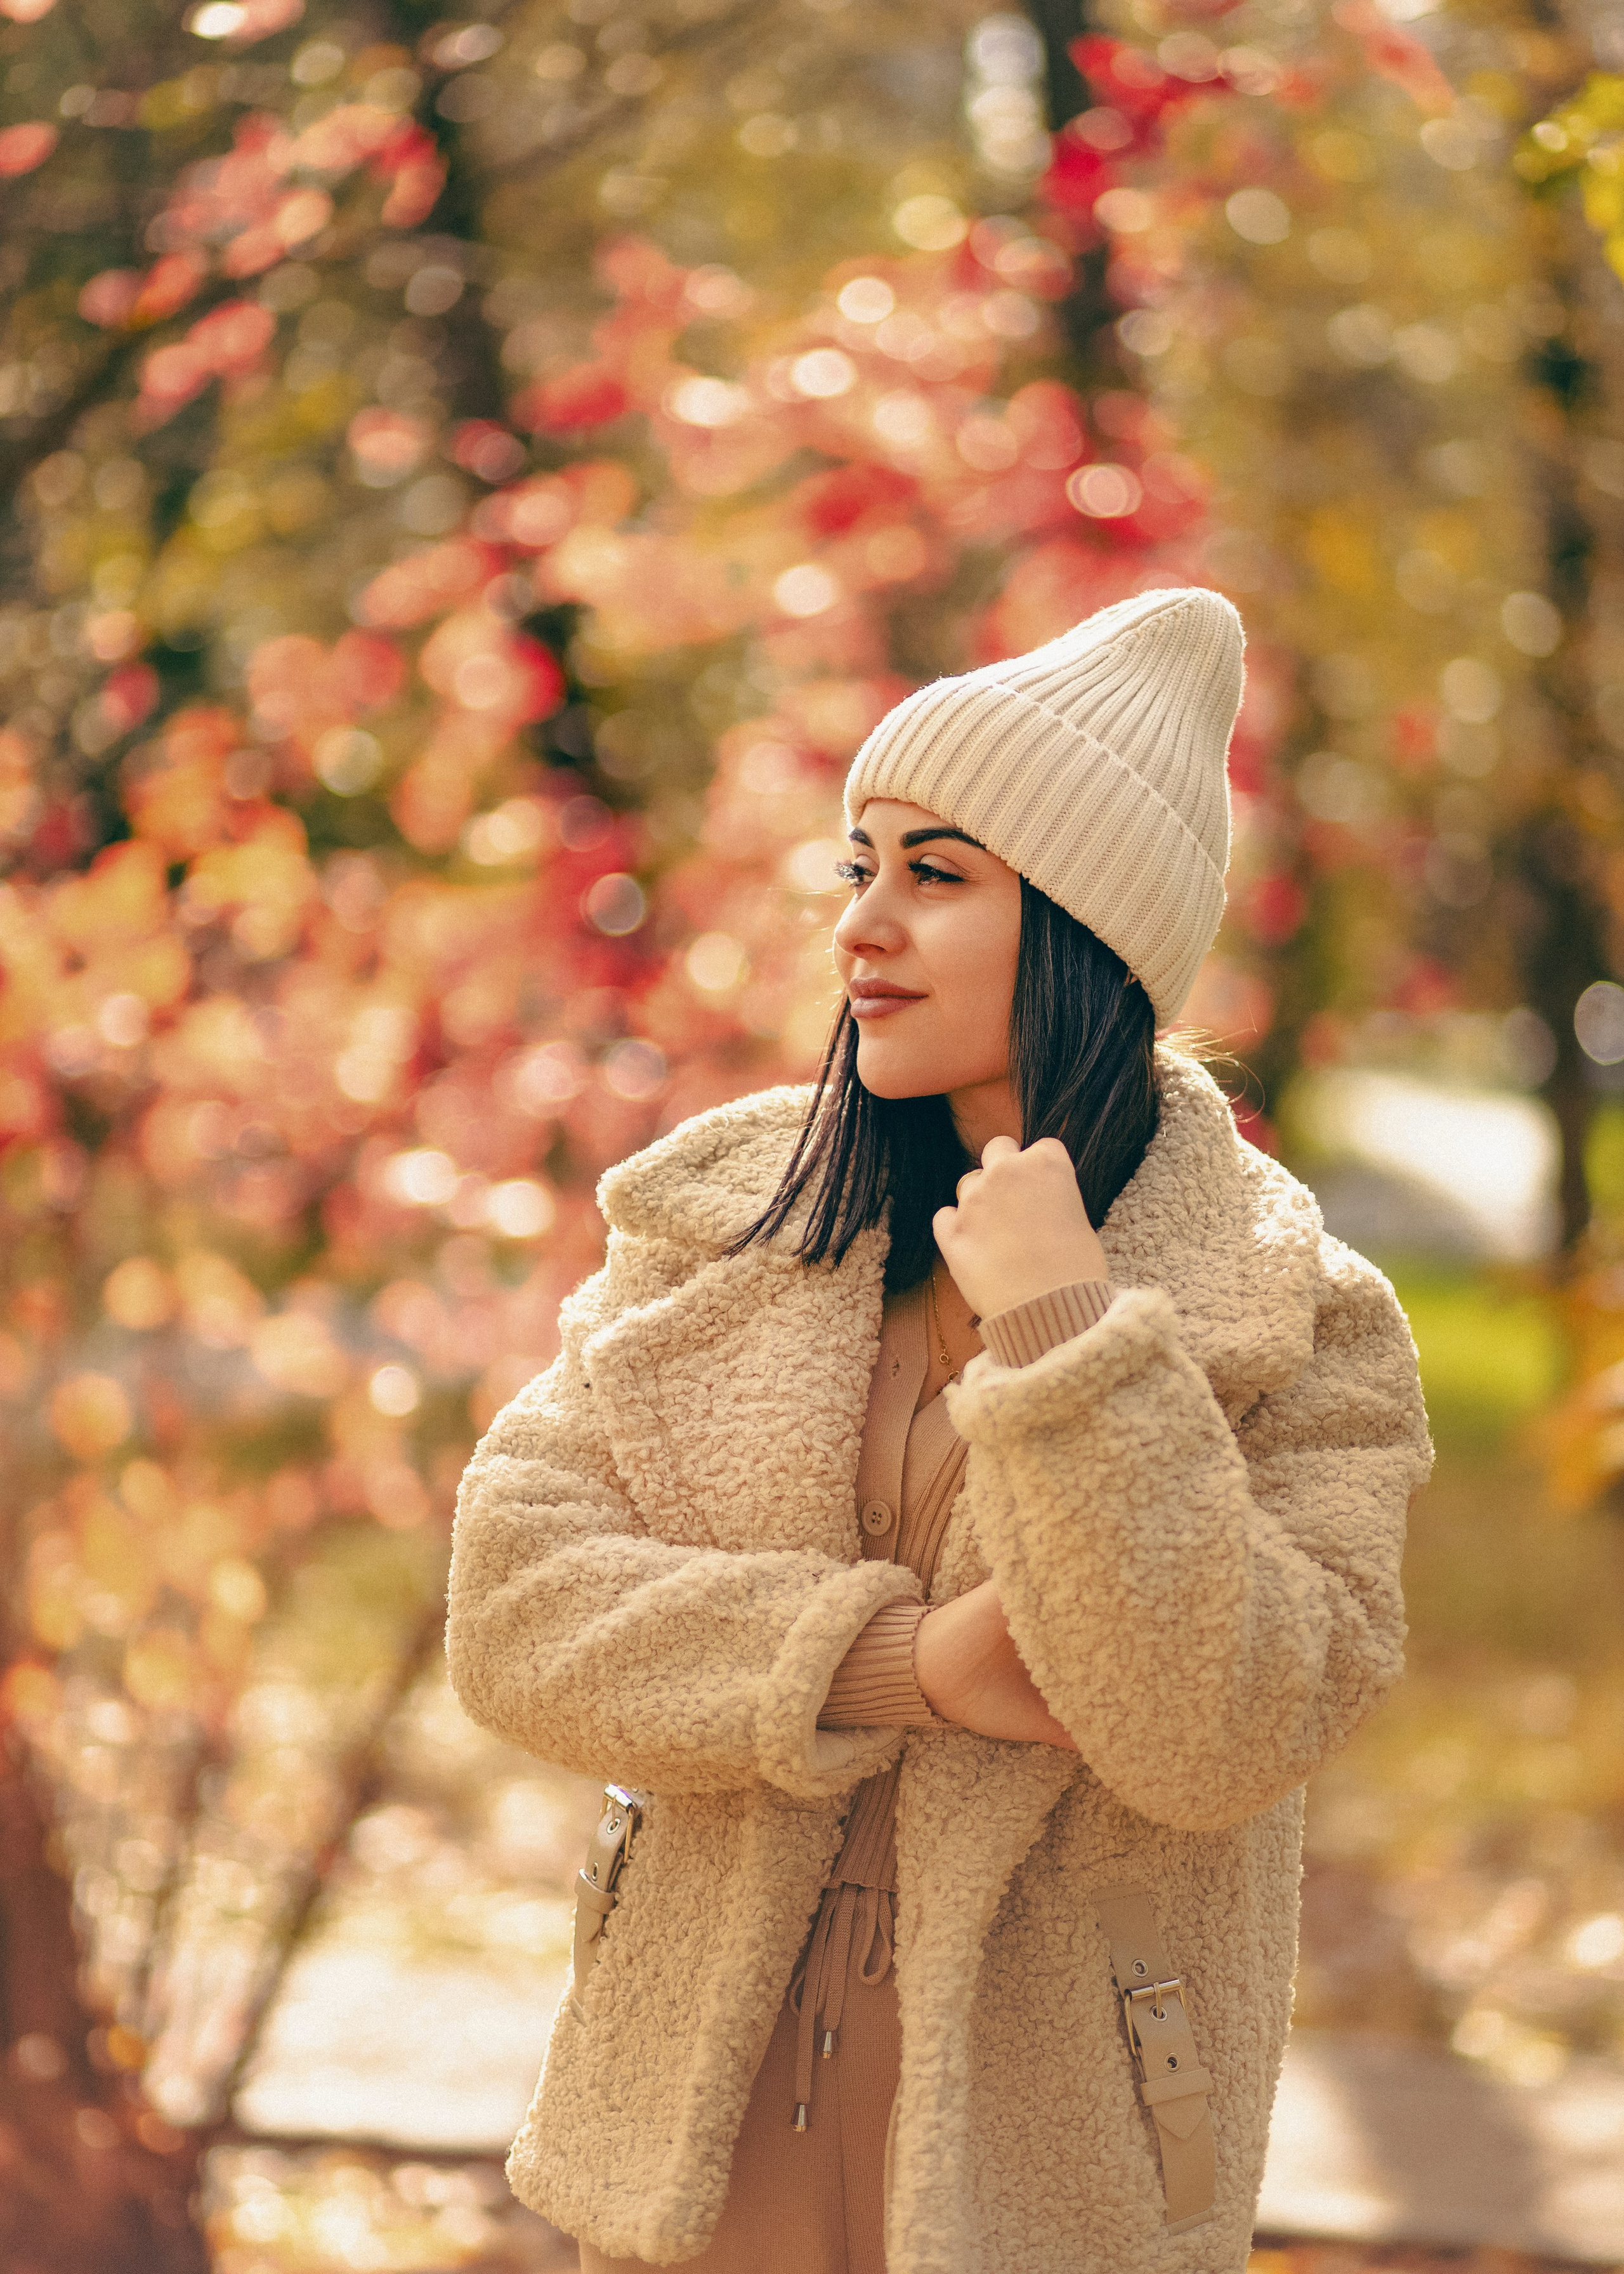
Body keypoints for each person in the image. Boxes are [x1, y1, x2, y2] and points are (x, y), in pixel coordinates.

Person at [446, 588, 1432, 2274]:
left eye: (938, 874)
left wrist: (1069, 1336)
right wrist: (899, 1662)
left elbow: (1229, 1725)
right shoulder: (727, 1225)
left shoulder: (1300, 1317)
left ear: (1088, 931)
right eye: (862, 866)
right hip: (700, 2122)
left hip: (1046, 2160)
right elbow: (517, 1609)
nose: (862, 926)